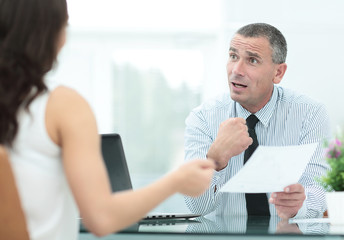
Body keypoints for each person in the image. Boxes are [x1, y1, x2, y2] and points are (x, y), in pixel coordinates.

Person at [0, 0, 216, 239]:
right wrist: (175, 182)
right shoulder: (62, 106)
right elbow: (101, 218)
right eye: (65, 26)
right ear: (49, 34)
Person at [184, 23, 331, 219]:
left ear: (278, 73)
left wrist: (299, 206)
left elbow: (319, 188)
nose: (236, 70)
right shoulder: (203, 117)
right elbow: (197, 208)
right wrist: (215, 161)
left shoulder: (310, 114)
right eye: (233, 56)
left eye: (252, 60)